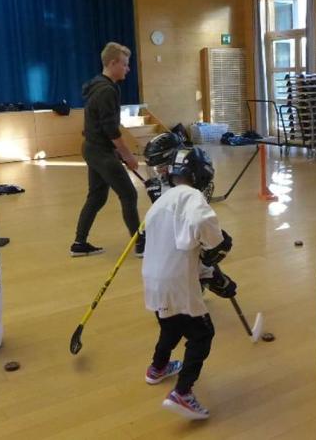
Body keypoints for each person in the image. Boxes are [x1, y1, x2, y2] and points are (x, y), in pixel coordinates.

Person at [141, 146, 235, 420]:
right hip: (176, 282)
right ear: (201, 176)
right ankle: (183, 392)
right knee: (202, 334)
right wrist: (218, 244)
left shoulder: (162, 201)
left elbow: (182, 247)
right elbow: (201, 225)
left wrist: (213, 276)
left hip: (153, 279)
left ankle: (157, 368)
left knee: (170, 326)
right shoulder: (193, 197)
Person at [71, 42, 144, 257]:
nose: (127, 69)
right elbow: (112, 130)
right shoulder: (106, 91)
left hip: (93, 149)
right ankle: (140, 244)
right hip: (100, 151)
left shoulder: (100, 85)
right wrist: (128, 156)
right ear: (112, 63)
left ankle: (79, 244)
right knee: (129, 193)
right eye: (125, 64)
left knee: (97, 197)